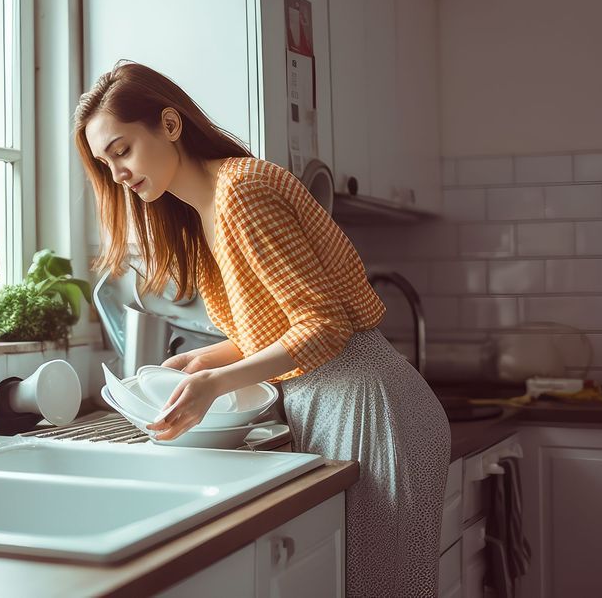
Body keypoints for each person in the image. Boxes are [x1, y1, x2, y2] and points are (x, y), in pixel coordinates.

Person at [74, 61, 450, 597]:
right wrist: (209, 361)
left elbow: (324, 326)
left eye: (122, 150)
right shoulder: (203, 213)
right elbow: (276, 329)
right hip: (335, 400)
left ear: (171, 125)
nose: (118, 175)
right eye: (104, 163)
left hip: (368, 404)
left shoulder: (240, 194)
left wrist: (216, 385)